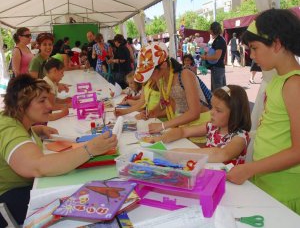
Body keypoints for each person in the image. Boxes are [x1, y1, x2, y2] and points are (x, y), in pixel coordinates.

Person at [0, 74, 117, 225]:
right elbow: (38, 166)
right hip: (11, 199)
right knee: (82, 198)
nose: (49, 106)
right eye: (42, 101)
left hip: (26, 187)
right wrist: (90, 149)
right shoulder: (7, 128)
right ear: (21, 106)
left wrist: (37, 130)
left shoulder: (16, 121)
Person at [226, 8, 300, 215]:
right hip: (268, 178)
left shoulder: (294, 84)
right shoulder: (278, 80)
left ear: (276, 43)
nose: (251, 55)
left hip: (286, 187)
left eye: (255, 48)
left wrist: (249, 169)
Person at [145, 85, 251, 164]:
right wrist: (160, 139)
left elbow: (222, 154)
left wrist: (181, 153)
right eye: (212, 107)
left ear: (235, 114)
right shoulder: (212, 127)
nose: (211, 112)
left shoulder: (240, 138)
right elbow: (183, 131)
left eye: (218, 110)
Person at [134, 42, 211, 144]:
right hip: (181, 127)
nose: (149, 78)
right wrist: (150, 112)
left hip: (200, 128)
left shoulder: (185, 75)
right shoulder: (160, 78)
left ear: (164, 65)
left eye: (150, 73)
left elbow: (194, 113)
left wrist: (163, 125)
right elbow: (163, 103)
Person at [201, 22, 227, 91]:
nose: (209, 30)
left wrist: (205, 57)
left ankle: (223, 101)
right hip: (219, 67)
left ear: (213, 30)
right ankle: (229, 100)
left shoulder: (219, 40)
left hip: (217, 68)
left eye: (210, 29)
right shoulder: (219, 39)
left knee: (217, 90)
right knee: (224, 88)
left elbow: (216, 57)